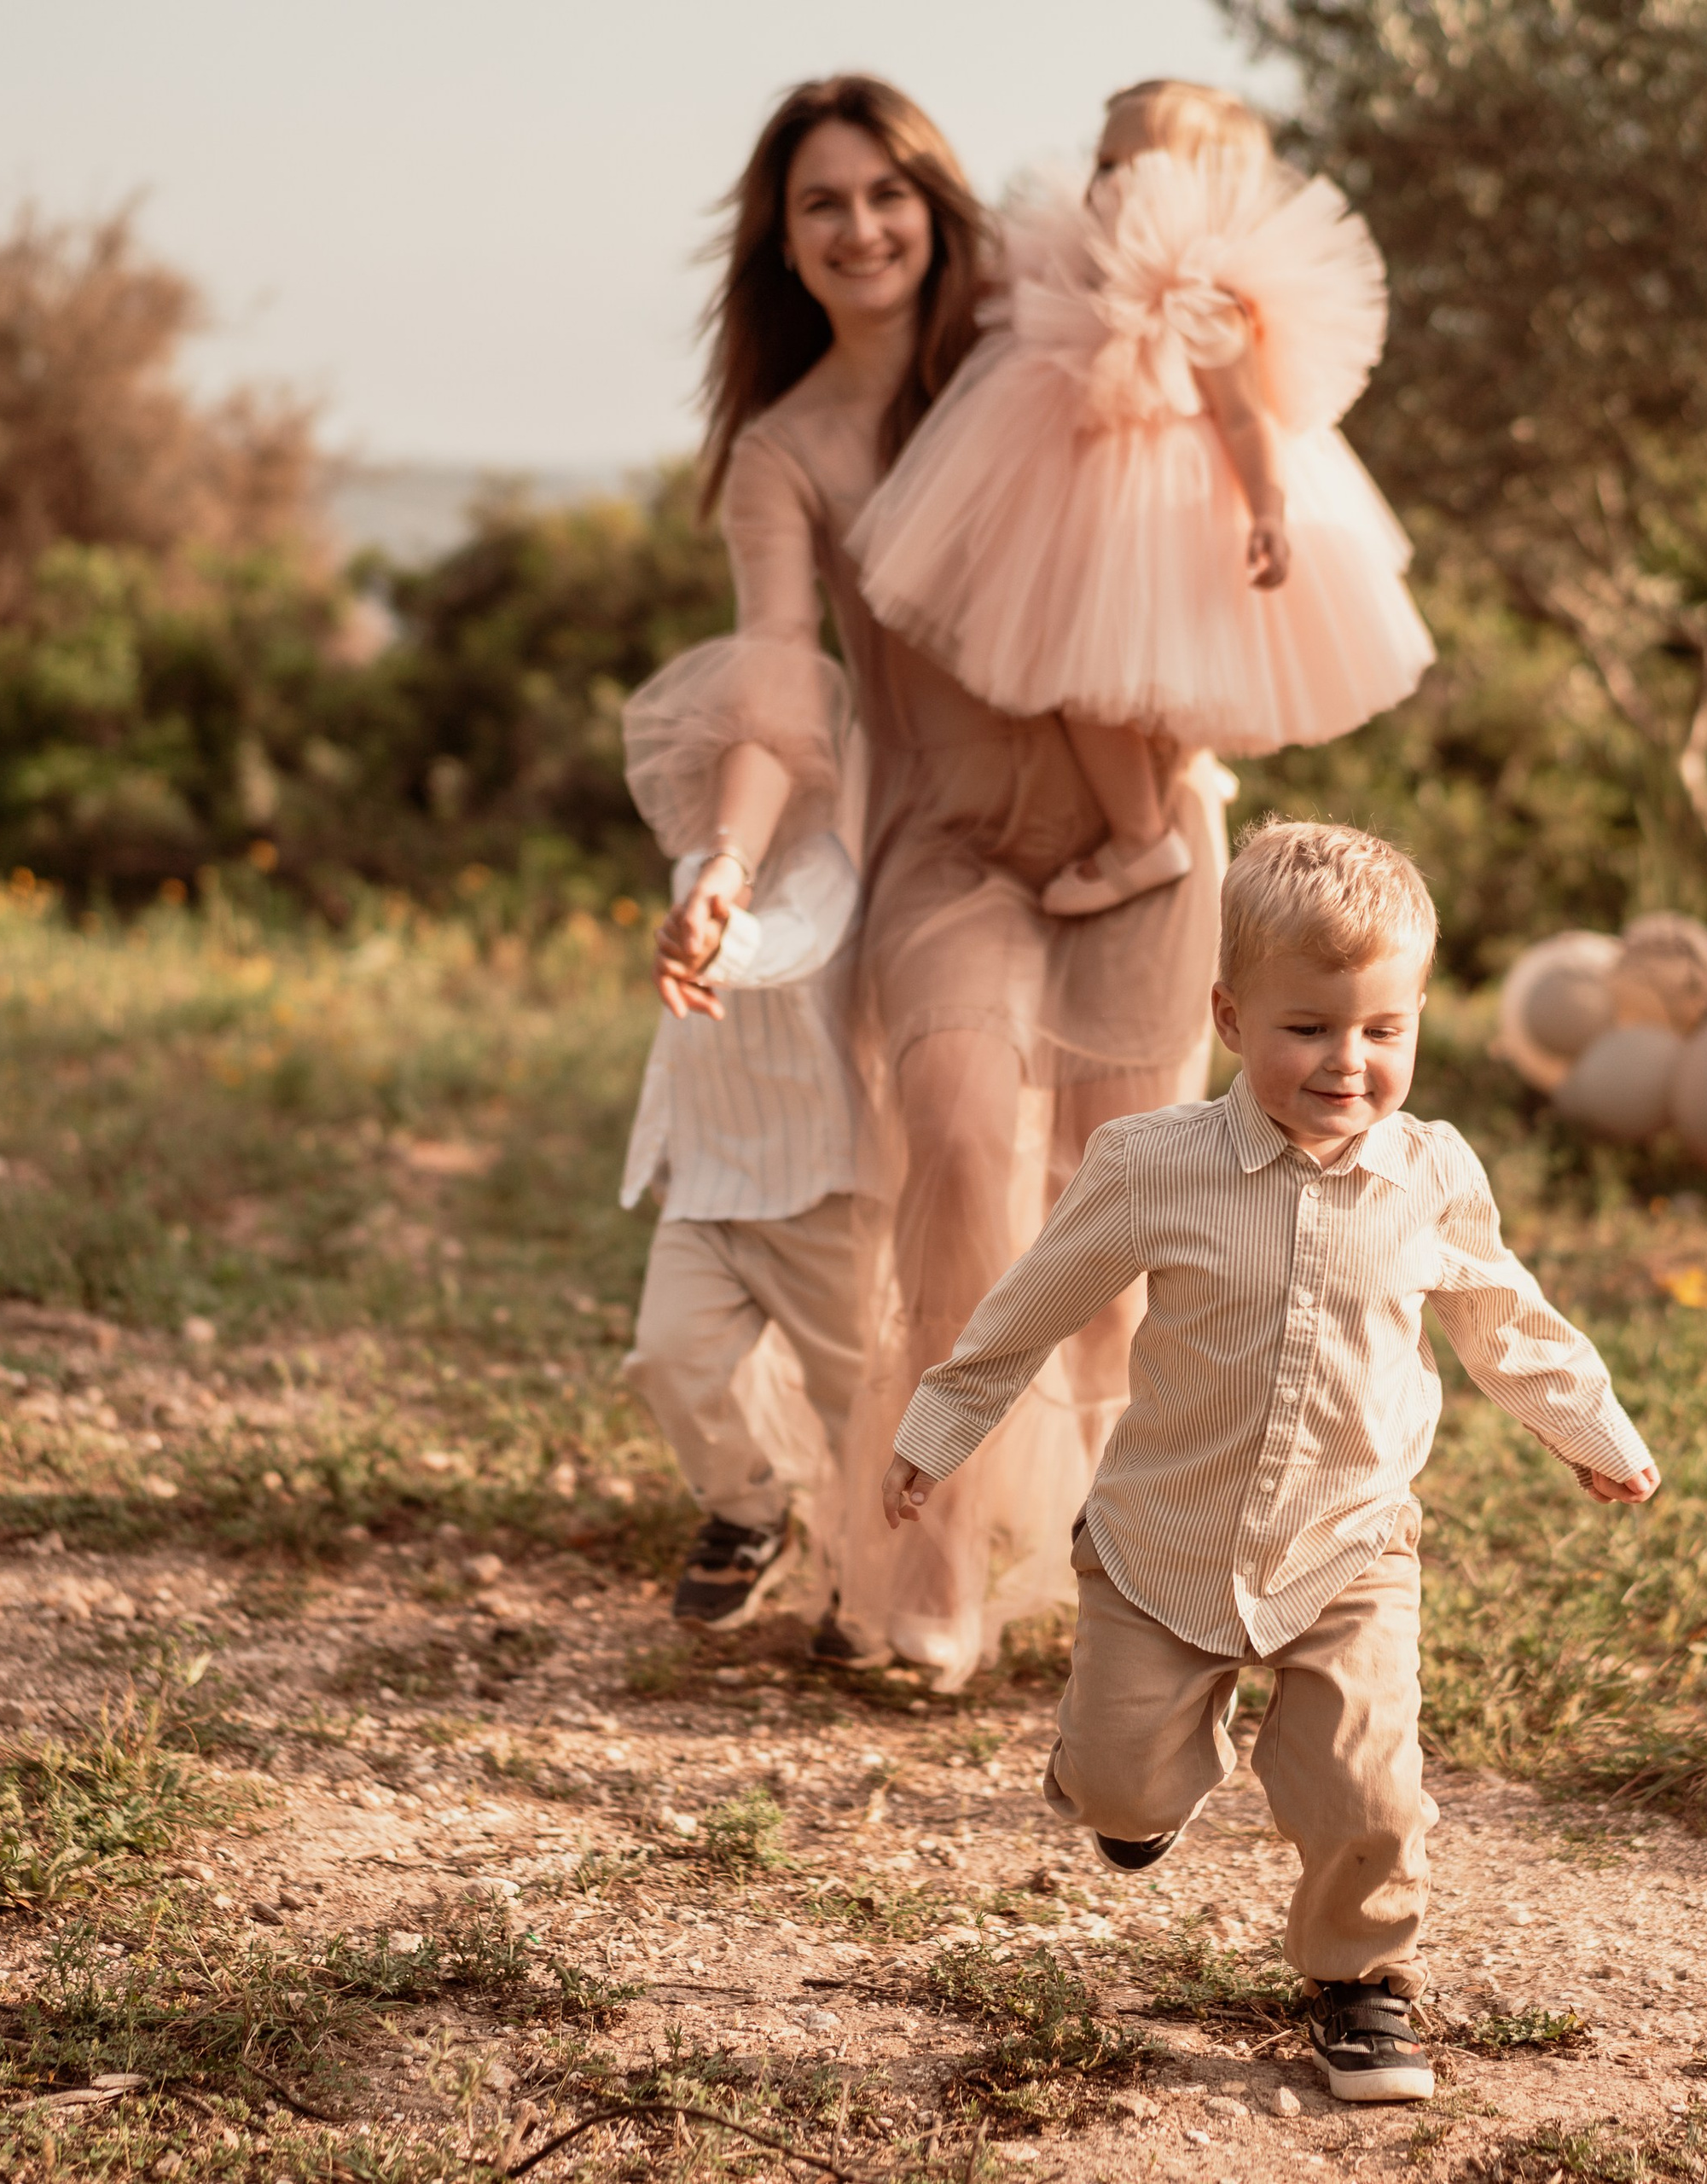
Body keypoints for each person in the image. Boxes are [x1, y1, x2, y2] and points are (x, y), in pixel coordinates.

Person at [882, 822, 1659, 2099]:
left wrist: (1594, 1431)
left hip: (1349, 1545)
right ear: (1231, 1017)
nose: (1348, 1063)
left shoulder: (1433, 1175)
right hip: (1162, 1547)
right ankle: (1134, 1784)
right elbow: (1031, 1306)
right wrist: (937, 1432)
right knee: (1120, 1788)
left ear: (1416, 1021)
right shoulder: (1152, 1166)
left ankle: (1362, 1988)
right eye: (1309, 1029)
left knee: (1368, 1789)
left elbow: (1503, 1319)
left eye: (1383, 1031)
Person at [655, 76, 1226, 1682]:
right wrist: (727, 861)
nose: (860, 228)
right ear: (782, 240)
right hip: (944, 852)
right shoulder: (789, 452)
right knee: (966, 1164)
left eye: (887, 193)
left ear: (936, 202)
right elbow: (776, 683)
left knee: (1128, 1206)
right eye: (821, 203)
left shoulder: (1024, 345)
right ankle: (938, 1555)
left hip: (1150, 830)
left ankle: (1137, 1573)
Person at [851, 79, 1432, 917]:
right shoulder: (1068, 259)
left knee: (1104, 668)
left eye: (1140, 165)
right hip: (1083, 499)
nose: (1110, 182)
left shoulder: (1207, 296)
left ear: (1207, 182)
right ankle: (1152, 806)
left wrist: (1268, 510)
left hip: (1162, 516)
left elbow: (1247, 418)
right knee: (1084, 665)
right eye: (1103, 161)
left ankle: (1141, 836)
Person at [615, 638, 865, 1629]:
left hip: (820, 1186)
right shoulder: (700, 860)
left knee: (859, 1392)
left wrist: (721, 940)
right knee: (668, 1356)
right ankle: (746, 1507)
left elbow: (794, 942)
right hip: (712, 1178)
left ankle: (872, 1554)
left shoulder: (833, 865)